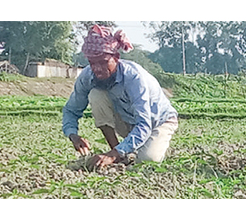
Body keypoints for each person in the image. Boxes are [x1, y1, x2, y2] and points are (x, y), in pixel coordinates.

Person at [62, 25, 178, 169]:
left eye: (103, 62)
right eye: (93, 63)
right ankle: (119, 153)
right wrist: (73, 135)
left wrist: (111, 155)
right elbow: (71, 110)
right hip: (128, 121)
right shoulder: (87, 77)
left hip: (157, 122)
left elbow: (144, 124)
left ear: (116, 58)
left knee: (147, 161)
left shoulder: (134, 78)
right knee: (96, 95)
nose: (98, 69)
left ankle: (119, 153)